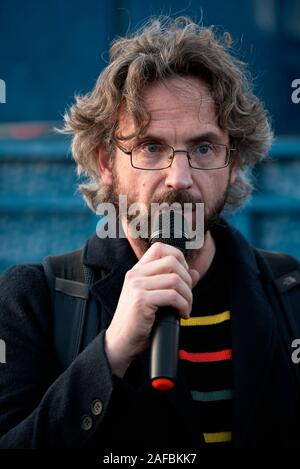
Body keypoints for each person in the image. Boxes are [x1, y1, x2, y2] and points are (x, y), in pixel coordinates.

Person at [0, 16, 299, 450]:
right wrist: (112, 352)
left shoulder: (290, 295)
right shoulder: (33, 300)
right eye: (151, 147)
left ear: (233, 163)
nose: (179, 177)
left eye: (203, 148)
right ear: (106, 162)